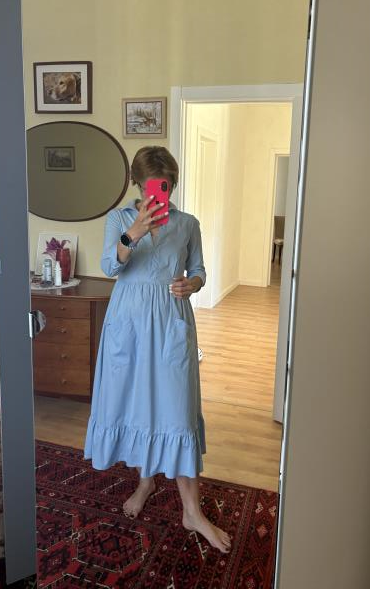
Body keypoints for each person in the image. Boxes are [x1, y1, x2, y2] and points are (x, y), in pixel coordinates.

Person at [84, 145, 231, 554]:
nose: (158, 194)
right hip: (128, 322)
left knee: (176, 409)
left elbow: (199, 270)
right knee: (136, 404)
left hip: (170, 322)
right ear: (137, 183)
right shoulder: (119, 220)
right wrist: (133, 233)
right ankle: (145, 481)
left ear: (172, 185)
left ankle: (192, 512)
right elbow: (110, 267)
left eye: (165, 187)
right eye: (151, 186)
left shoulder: (187, 224)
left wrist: (192, 284)